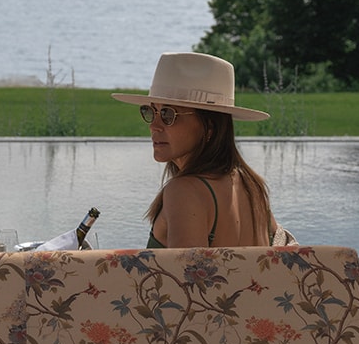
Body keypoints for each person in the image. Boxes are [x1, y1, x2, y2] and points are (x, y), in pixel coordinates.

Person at [113, 52, 292, 249]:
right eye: (150, 111)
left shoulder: (184, 191)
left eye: (167, 114)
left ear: (209, 127)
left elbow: (184, 269)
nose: (154, 126)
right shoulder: (252, 186)